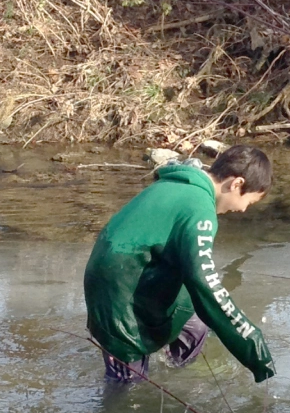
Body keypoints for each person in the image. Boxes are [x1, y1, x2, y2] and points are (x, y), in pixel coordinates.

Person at [84, 144, 276, 384]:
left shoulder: (179, 183)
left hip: (138, 277)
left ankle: (173, 374)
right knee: (128, 391)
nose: (243, 209)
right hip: (115, 297)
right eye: (249, 201)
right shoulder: (199, 210)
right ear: (235, 184)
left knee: (195, 326)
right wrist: (253, 346)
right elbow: (206, 286)